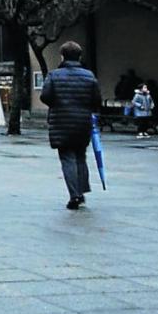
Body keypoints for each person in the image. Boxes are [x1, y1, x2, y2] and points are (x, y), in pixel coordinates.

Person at [41, 41, 102, 210]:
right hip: (83, 121)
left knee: (67, 157)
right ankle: (82, 192)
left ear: (62, 56)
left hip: (61, 121)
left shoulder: (54, 75)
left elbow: (45, 97)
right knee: (80, 156)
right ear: (79, 56)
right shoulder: (89, 76)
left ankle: (74, 195)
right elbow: (96, 99)